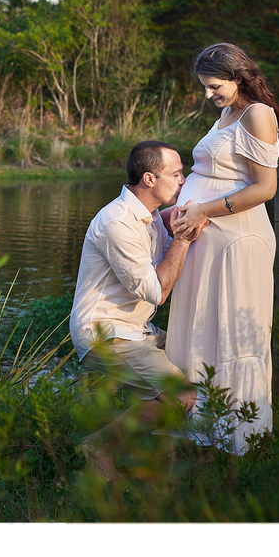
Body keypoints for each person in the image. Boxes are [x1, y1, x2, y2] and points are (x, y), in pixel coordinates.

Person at [166, 42, 279, 454]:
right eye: (205, 87)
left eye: (214, 86)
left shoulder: (258, 114)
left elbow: (265, 187)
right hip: (209, 242)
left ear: (238, 77)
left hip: (238, 241)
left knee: (234, 333)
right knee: (202, 325)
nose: (208, 95)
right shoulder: (227, 113)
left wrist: (203, 208)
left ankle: (241, 434)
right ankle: (203, 426)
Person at [69, 140, 206, 481]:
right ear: (149, 178)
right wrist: (183, 239)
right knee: (179, 397)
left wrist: (174, 222)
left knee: (196, 355)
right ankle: (99, 446)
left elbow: (161, 239)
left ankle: (183, 451)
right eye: (176, 173)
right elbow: (157, 291)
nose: (183, 179)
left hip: (135, 329)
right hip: (105, 333)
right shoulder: (116, 223)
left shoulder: (146, 217)